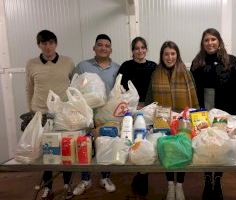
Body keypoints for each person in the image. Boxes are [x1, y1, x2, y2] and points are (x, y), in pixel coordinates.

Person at [190, 28, 236, 200]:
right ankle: (208, 179)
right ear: (202, 43)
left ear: (219, 41)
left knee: (221, 144)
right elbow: (192, 89)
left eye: (213, 39)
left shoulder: (231, 60)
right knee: (206, 144)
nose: (210, 43)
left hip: (225, 110)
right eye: (206, 40)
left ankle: (218, 179)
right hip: (204, 110)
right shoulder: (197, 62)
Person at [146, 41, 199, 200]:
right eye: (166, 54)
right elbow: (150, 97)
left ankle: (179, 186)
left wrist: (193, 113)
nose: (169, 57)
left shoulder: (186, 72)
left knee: (182, 148)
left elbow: (193, 94)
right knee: (168, 150)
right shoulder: (156, 73)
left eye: (173, 54)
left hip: (183, 118)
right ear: (162, 56)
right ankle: (170, 185)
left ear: (177, 55)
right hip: (163, 119)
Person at [25, 30, 75, 200]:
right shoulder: (31, 64)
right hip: (40, 113)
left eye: (51, 43)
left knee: (64, 149)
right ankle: (48, 187)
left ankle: (67, 185)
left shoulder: (68, 62)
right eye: (44, 43)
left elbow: (73, 86)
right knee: (45, 152)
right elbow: (29, 88)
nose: (48, 47)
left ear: (56, 44)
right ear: (39, 45)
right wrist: (31, 111)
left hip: (62, 113)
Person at [71, 34, 120, 196]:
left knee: (105, 145)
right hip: (85, 115)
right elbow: (73, 88)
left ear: (111, 49)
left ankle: (105, 177)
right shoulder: (82, 66)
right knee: (85, 146)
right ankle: (86, 179)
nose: (103, 48)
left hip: (107, 116)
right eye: (100, 45)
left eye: (107, 45)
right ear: (94, 48)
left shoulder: (117, 68)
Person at [117, 36, 156, 197]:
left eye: (142, 48)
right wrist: (133, 105)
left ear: (146, 49)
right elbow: (120, 88)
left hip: (149, 110)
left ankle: (142, 177)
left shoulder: (154, 66)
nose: (140, 51)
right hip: (131, 112)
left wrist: (147, 104)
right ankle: (138, 174)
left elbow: (157, 88)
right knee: (133, 141)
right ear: (132, 51)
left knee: (145, 142)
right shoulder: (126, 66)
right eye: (136, 48)